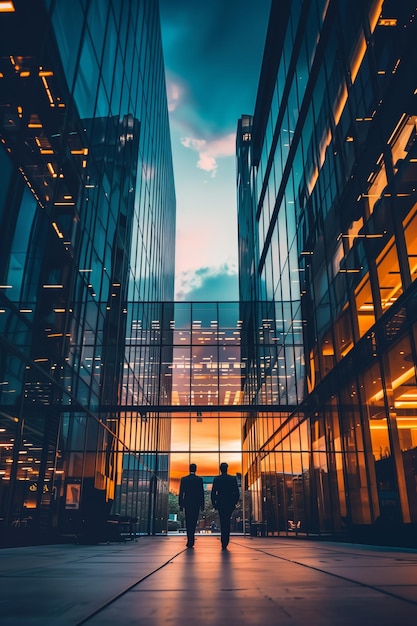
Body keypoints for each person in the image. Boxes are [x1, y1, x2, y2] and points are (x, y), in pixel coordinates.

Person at [211, 462, 240, 549]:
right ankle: (225, 540)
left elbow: (213, 492)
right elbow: (236, 493)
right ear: (227, 469)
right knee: (227, 521)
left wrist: (214, 503)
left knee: (223, 521)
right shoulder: (232, 479)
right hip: (229, 504)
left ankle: (224, 541)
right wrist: (234, 502)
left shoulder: (217, 479)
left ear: (220, 469)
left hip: (220, 503)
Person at [179, 463, 204, 548]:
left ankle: (189, 540)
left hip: (187, 503)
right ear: (195, 469)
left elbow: (181, 493)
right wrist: (202, 504)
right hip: (196, 504)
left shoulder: (184, 479)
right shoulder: (199, 480)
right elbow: (201, 493)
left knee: (188, 521)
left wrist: (181, 504)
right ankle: (191, 539)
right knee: (193, 521)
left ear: (189, 469)